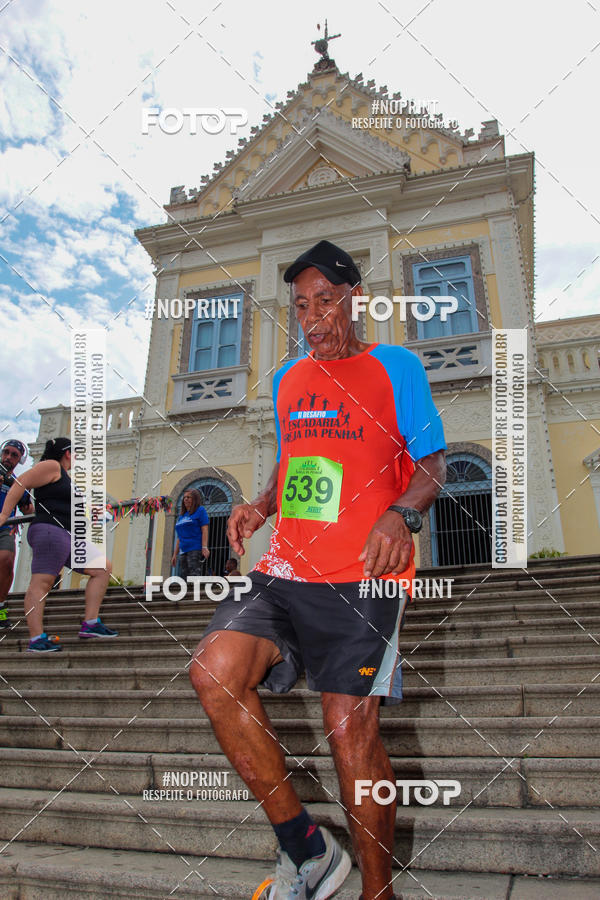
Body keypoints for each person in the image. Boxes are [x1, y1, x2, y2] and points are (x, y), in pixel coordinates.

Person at [189, 240, 447, 900]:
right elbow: (294, 459)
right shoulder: (287, 380)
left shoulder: (397, 368)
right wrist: (260, 503)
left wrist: (403, 514)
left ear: (354, 298)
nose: (313, 317)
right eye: (302, 306)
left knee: (349, 730)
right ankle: (307, 849)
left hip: (365, 575)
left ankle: (377, 891)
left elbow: (430, 466)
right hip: (284, 570)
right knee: (213, 671)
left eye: (325, 302)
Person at [0, 436, 118, 652]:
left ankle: (90, 624)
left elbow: (68, 506)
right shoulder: (51, 466)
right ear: (67, 452)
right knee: (41, 583)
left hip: (66, 535)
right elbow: (20, 483)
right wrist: (4, 515)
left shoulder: (63, 477)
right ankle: (37, 638)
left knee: (102, 567)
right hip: (49, 531)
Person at [0, 439, 34, 629]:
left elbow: (28, 509)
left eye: (14, 455)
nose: (8, 457)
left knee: (6, 561)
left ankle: (1, 607)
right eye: (6, 452)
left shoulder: (17, 484)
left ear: (19, 460)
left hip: (4, 529)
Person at [171, 489, 210, 577]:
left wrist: (204, 547)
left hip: (195, 548)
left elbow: (205, 529)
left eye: (189, 497)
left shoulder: (200, 510)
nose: (186, 499)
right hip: (183, 551)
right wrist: (174, 554)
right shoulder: (181, 516)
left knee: (194, 575)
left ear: (195, 499)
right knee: (184, 577)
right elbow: (179, 537)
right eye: (184, 497)